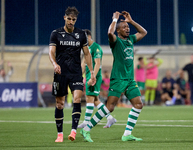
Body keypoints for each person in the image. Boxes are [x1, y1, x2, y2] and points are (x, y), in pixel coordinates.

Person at [80, 11, 147, 142]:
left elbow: (144, 32)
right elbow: (110, 33)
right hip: (118, 79)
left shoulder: (131, 40)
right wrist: (115, 20)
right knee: (110, 107)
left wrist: (131, 21)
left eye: (127, 28)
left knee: (138, 104)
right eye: (124, 28)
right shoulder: (115, 41)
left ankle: (127, 134)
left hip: (129, 80)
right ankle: (86, 128)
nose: (127, 29)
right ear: (118, 31)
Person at [49, 6, 96, 143]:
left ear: (76, 20)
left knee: (77, 99)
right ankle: (60, 134)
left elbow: (87, 54)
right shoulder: (55, 33)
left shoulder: (81, 34)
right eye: (69, 19)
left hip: (75, 72)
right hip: (60, 73)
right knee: (60, 104)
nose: (71, 21)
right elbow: (51, 51)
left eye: (73, 19)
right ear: (64, 18)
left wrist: (91, 72)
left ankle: (73, 131)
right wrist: (54, 64)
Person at [78, 29, 116, 129]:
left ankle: (86, 122)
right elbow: (83, 63)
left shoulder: (96, 48)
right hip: (88, 76)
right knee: (95, 100)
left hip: (94, 76)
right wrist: (79, 76)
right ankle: (110, 118)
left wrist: (93, 77)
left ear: (89, 37)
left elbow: (97, 63)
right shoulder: (86, 48)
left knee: (89, 98)